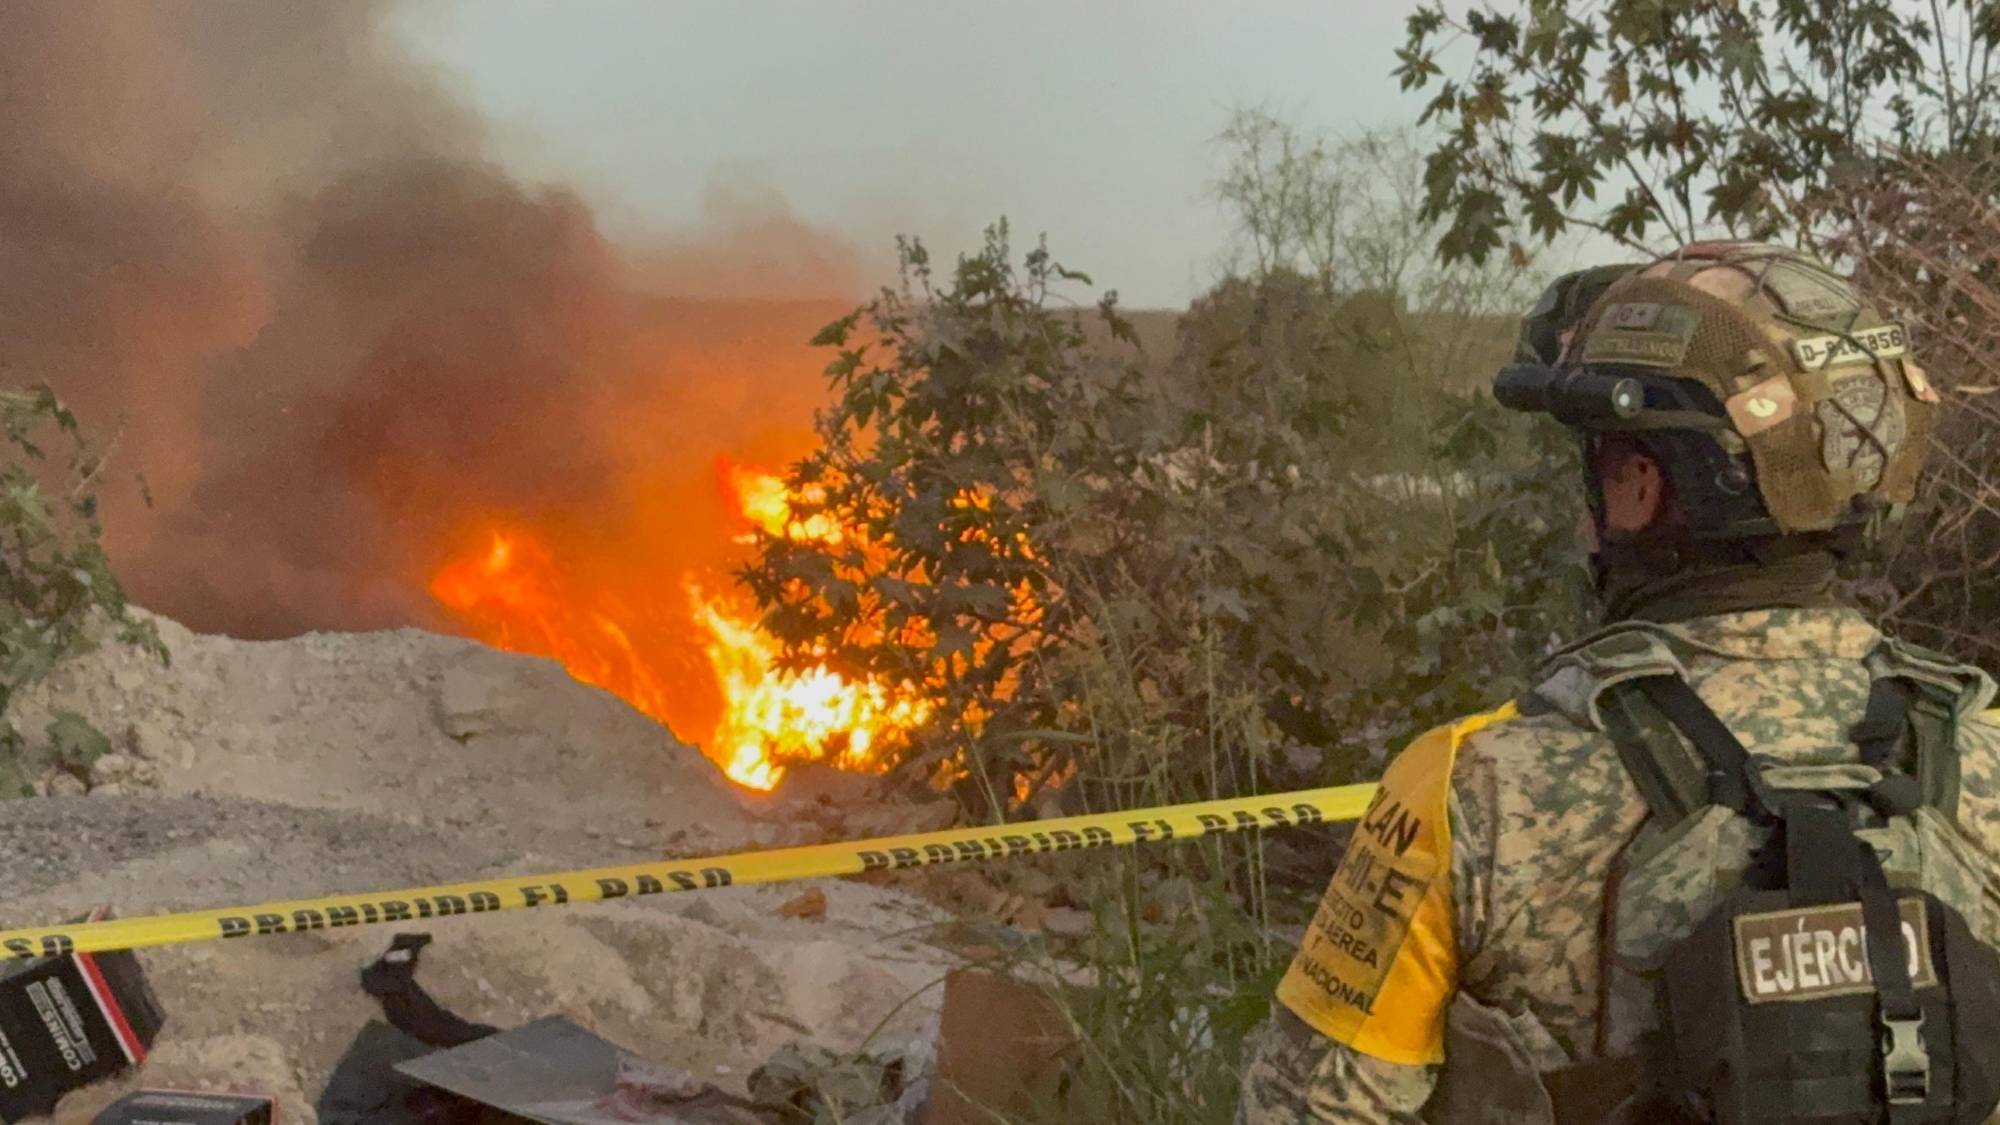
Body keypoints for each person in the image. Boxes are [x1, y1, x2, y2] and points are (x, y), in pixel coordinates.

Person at [1237, 242, 2000, 1124]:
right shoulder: (1979, 753)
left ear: (1639, 487)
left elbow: (1308, 1110)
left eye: (1600, 467)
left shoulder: (1471, 788)